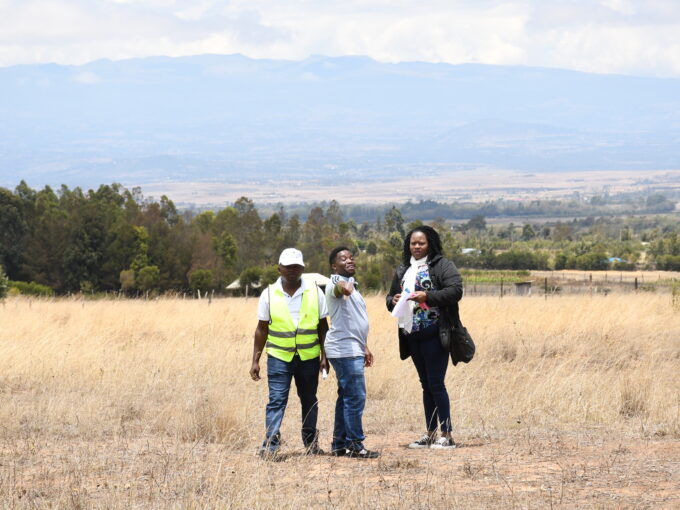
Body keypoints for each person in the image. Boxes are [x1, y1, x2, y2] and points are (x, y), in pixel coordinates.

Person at [386, 226, 463, 449]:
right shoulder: (404, 269)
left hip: (436, 334)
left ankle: (447, 435)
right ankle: (430, 433)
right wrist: (393, 300)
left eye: (421, 243)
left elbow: (455, 291)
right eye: (413, 243)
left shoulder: (442, 265)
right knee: (426, 385)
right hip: (412, 335)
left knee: (436, 384)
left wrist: (427, 295)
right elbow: (390, 296)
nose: (417, 247)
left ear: (431, 244)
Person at [250, 248, 329, 458]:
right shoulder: (268, 293)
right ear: (279, 269)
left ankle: (311, 444)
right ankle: (271, 446)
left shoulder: (315, 292)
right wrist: (255, 360)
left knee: (309, 399)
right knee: (276, 400)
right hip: (279, 357)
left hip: (308, 357)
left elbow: (323, 327)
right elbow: (261, 329)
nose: (292, 271)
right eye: (287, 267)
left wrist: (324, 355)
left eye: (296, 267)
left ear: (302, 268)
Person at [324, 246, 380, 459]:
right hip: (344, 349)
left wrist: (364, 346)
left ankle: (339, 444)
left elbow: (355, 320)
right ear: (333, 266)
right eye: (343, 258)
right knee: (356, 397)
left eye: (351, 257)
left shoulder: (354, 287)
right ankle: (355, 444)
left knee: (346, 397)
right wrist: (343, 285)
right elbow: (340, 289)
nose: (349, 260)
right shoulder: (334, 284)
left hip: (353, 347)